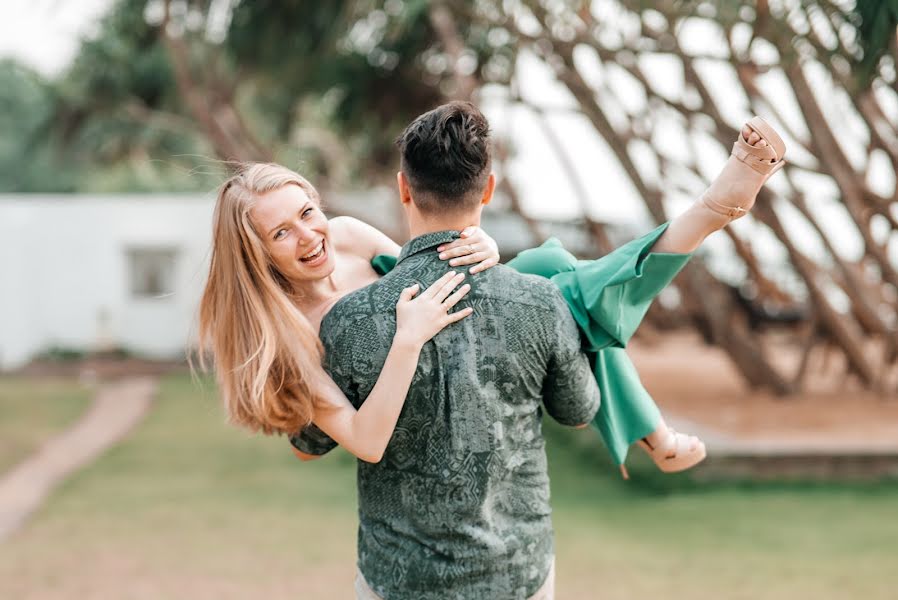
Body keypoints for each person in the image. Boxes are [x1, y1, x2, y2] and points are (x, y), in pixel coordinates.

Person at [290, 102, 785, 598]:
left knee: (556, 273)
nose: (307, 235)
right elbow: (577, 410)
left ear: (403, 187)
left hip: (399, 579)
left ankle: (708, 214)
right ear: (488, 188)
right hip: (514, 573)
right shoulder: (538, 303)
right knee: (567, 286)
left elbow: (309, 444)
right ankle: (708, 214)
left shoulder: (345, 320)